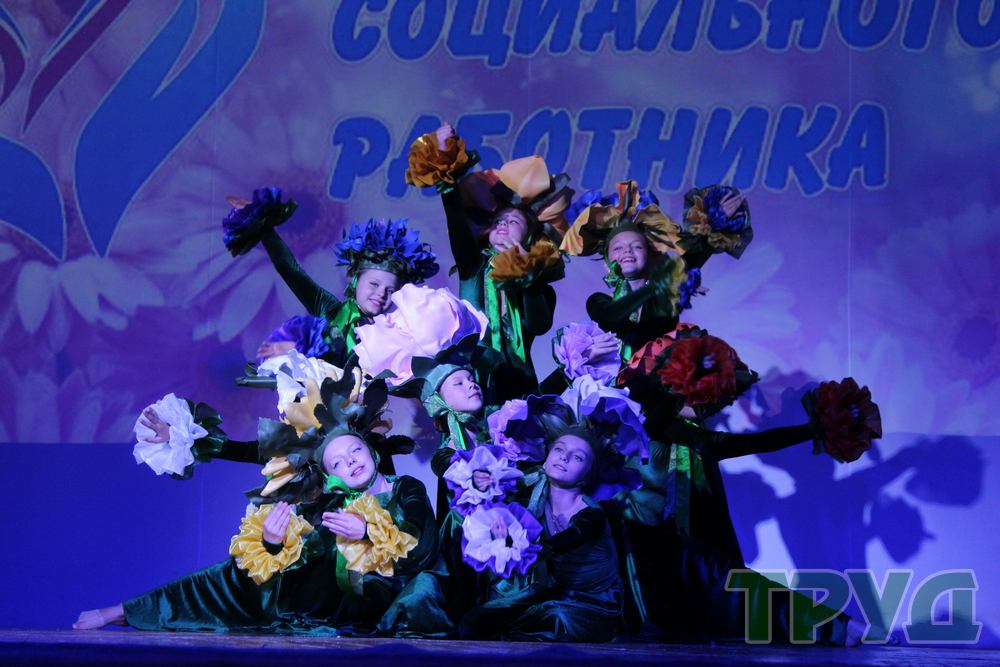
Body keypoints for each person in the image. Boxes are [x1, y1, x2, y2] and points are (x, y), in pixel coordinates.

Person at [76, 378, 438, 635]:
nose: (351, 462)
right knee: (237, 572)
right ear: (330, 476)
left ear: (370, 449)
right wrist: (273, 543)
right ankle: (129, 610)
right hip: (327, 607)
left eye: (355, 451)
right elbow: (303, 559)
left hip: (392, 604)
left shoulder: (405, 488)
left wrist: (369, 532)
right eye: (338, 463)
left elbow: (422, 550)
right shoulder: (331, 507)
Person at [405, 125, 572, 402]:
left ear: (531, 236)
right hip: (473, 384)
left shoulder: (540, 286)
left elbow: (538, 325)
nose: (503, 224)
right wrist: (447, 177)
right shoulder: (474, 266)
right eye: (497, 221)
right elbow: (456, 223)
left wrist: (527, 278)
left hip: (520, 386)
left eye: (513, 221)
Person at [222, 187, 438, 364]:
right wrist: (264, 228)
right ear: (356, 280)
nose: (381, 294)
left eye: (390, 290)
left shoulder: (394, 335)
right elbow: (290, 270)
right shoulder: (330, 310)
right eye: (374, 284)